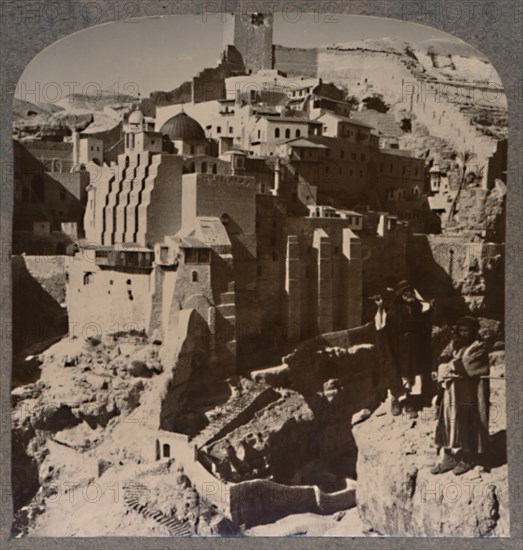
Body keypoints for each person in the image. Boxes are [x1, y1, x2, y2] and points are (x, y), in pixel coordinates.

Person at [430, 316, 490, 475]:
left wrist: (449, 365)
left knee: (468, 422)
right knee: (448, 421)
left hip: (470, 391)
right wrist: (443, 361)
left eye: (467, 330)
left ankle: (469, 458)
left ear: (473, 331)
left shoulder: (479, 347)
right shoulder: (455, 343)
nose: (464, 333)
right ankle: (449, 458)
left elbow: (468, 365)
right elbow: (445, 353)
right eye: (461, 330)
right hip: (452, 390)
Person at [374, 280, 432, 418]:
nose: (408, 294)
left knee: (415, 373)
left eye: (410, 291)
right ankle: (396, 400)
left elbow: (427, 306)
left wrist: (416, 295)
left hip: (415, 345)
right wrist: (380, 307)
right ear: (400, 294)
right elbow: (380, 323)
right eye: (405, 292)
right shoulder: (392, 309)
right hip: (398, 347)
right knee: (398, 373)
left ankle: (409, 403)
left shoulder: (418, 307)